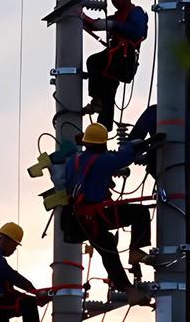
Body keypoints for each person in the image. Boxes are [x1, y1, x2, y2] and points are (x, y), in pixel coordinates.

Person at [62, 123, 153, 305]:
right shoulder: (102, 161)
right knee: (139, 213)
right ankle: (134, 254)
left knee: (108, 248)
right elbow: (122, 158)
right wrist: (137, 145)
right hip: (94, 216)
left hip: (78, 217)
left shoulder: (74, 161)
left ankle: (129, 289)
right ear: (102, 144)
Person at [81, 0, 149, 131]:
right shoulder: (118, 16)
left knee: (94, 62)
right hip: (116, 60)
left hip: (123, 59)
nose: (113, 0)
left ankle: (96, 99)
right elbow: (95, 25)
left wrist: (112, 25)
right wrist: (80, 17)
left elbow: (137, 31)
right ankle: (101, 134)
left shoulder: (135, 12)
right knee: (108, 95)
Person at [128, 105, 190, 219]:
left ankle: (182, 221)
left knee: (180, 193)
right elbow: (134, 140)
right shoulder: (183, 111)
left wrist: (137, 154)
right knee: (179, 194)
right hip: (165, 161)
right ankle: (183, 222)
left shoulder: (155, 112)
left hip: (174, 163)